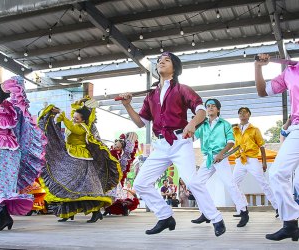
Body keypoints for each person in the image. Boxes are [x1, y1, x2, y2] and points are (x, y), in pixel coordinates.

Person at [119, 52, 209, 235]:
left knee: (192, 181)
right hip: (160, 144)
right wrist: (127, 105)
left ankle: (211, 214)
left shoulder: (182, 89)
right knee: (140, 183)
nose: (161, 62)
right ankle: (165, 216)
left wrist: (192, 124)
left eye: (166, 60)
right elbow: (140, 123)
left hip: (179, 141)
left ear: (174, 68)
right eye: (159, 61)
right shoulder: (151, 94)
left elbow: (201, 110)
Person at [37, 98, 122, 223]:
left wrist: (64, 119)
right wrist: (57, 113)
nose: (74, 119)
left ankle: (96, 211)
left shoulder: (83, 127)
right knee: (68, 184)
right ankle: (67, 213)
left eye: (77, 118)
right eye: (74, 117)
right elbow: (71, 119)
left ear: (83, 120)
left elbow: (73, 127)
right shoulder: (75, 121)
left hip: (81, 158)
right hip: (71, 155)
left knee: (83, 187)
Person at [255, 53, 299, 241]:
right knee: (277, 174)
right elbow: (263, 91)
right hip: (298, 128)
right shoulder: (291, 71)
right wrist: (258, 66)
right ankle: (290, 223)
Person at [191, 99, 248, 231]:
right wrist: (192, 124)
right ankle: (206, 212)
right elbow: (192, 138)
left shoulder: (225, 124)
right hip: (208, 158)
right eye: (208, 106)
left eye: (213, 106)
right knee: (196, 184)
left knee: (230, 184)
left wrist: (221, 154)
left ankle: (243, 211)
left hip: (220, 158)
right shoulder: (203, 125)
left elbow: (231, 142)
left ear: (218, 110)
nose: (210, 108)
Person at [0, 76, 46, 230]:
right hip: (8, 151)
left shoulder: (10, 108)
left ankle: (4, 217)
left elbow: (18, 82)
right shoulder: (9, 108)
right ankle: (4, 217)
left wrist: (10, 86)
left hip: (7, 152)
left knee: (3, 188)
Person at [232, 107, 278, 218]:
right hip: (240, 160)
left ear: (249, 115)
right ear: (238, 115)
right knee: (233, 184)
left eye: (245, 112)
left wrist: (264, 162)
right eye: (240, 113)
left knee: (263, 183)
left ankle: (278, 208)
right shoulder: (234, 130)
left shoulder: (254, 129)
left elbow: (261, 146)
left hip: (252, 159)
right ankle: (243, 207)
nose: (242, 114)